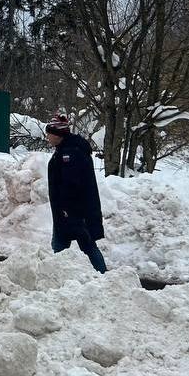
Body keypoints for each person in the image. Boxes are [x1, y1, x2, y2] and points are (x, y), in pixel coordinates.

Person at [45, 114, 107, 272]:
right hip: (68, 212)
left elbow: (72, 185)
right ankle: (56, 275)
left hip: (73, 212)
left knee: (86, 245)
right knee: (62, 244)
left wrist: (67, 210)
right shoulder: (66, 150)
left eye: (49, 133)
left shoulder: (70, 154)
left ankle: (103, 276)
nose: (47, 137)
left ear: (58, 135)